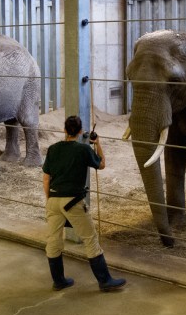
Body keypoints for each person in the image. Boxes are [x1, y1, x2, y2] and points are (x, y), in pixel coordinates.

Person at [43, 115, 126, 292]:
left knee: (53, 241)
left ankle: (58, 281)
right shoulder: (83, 149)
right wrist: (97, 144)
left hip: (53, 200)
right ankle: (105, 281)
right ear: (80, 132)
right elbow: (102, 164)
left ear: (64, 130)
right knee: (90, 239)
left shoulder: (53, 149)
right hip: (72, 202)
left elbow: (46, 178)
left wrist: (49, 199)